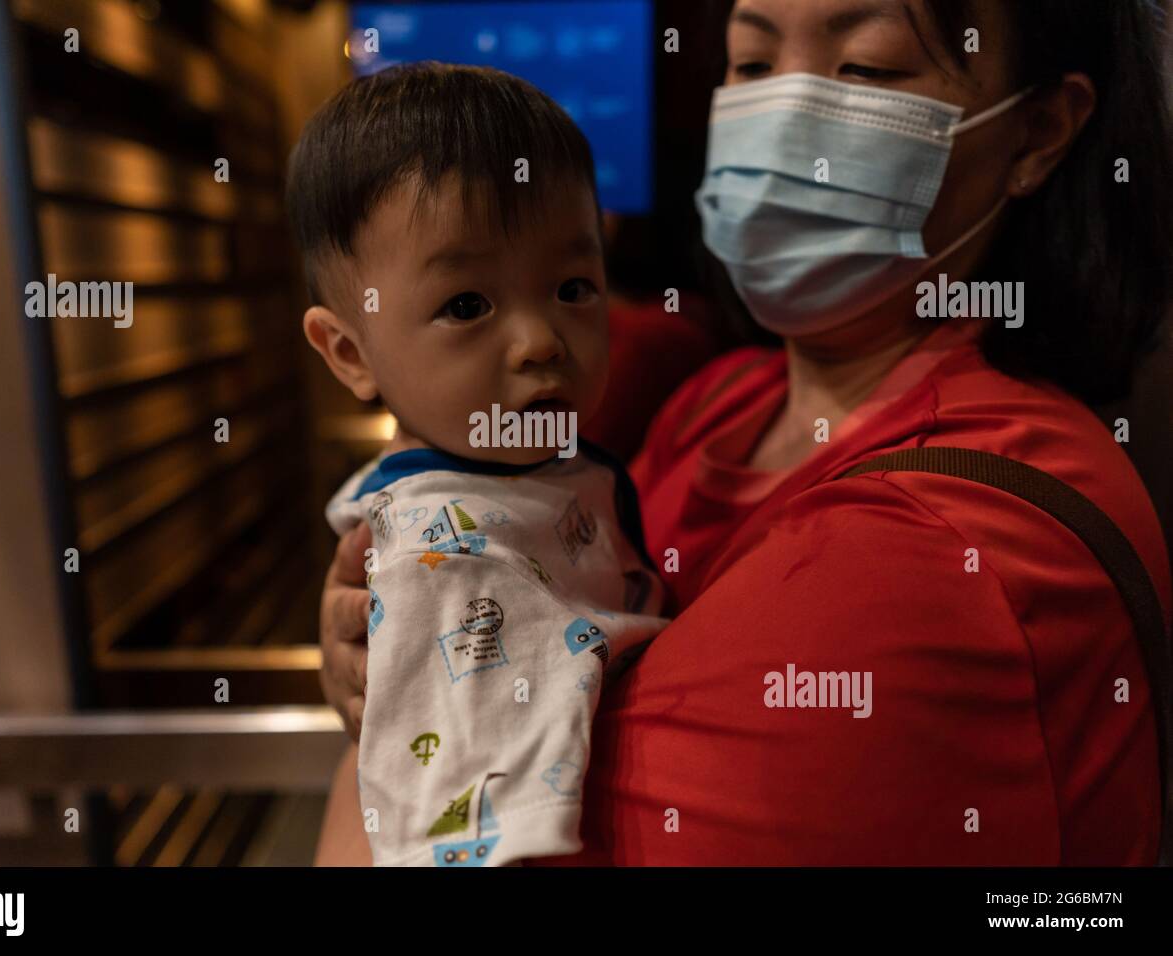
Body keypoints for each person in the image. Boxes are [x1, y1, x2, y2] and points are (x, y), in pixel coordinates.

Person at [314, 0, 1173, 865]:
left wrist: (398, 713)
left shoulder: (945, 546)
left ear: (1035, 132)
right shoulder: (720, 402)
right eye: (754, 64)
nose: (785, 117)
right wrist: (392, 634)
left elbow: (462, 825)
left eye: (866, 68)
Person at [287, 64, 669, 866]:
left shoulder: (530, 473)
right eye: (467, 306)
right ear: (350, 352)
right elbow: (462, 820)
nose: (541, 341)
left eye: (572, 287)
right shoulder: (448, 553)